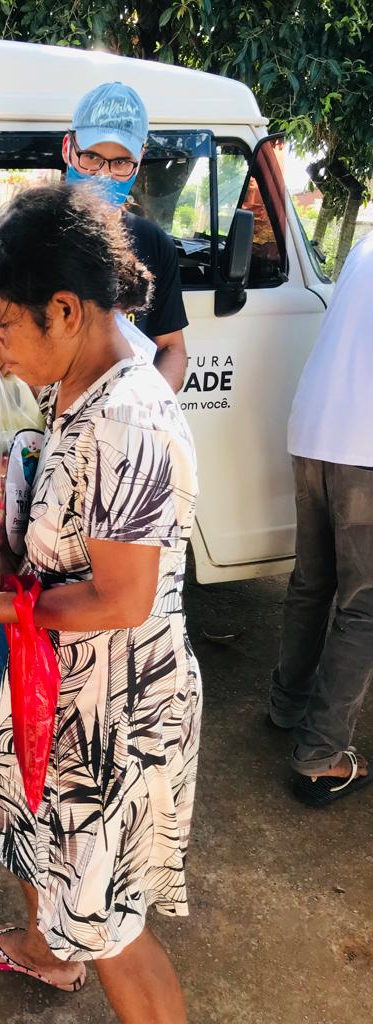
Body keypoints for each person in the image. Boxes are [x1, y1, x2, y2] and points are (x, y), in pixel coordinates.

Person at [0, 184, 201, 1023]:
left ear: (65, 310)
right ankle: (44, 951)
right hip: (61, 682)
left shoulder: (129, 420)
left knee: (114, 929)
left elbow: (121, 597)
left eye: (4, 322)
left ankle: (80, 956)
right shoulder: (73, 385)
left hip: (116, 711)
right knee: (53, 858)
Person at [269, 232, 373, 807]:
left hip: (314, 428)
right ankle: (321, 757)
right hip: (365, 448)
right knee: (364, 609)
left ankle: (286, 704)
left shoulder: (366, 242)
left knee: (313, 582)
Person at [62, 81, 189, 392]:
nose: (104, 175)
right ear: (68, 148)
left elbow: (172, 348)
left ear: (139, 160)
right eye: (91, 157)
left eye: (120, 162)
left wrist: (150, 409)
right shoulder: (30, 234)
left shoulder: (154, 244)